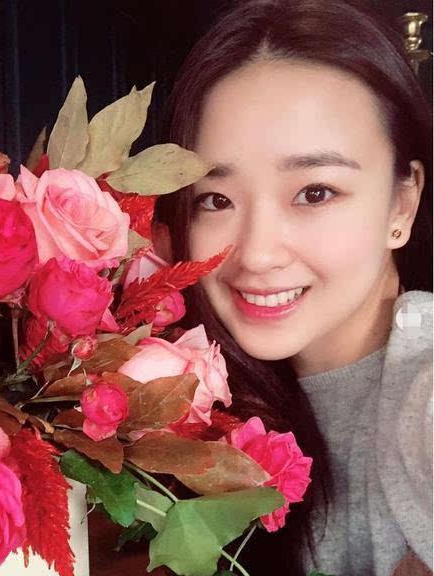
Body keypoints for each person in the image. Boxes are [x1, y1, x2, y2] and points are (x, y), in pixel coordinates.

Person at [154, 1, 433, 575]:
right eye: (216, 200)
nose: (257, 253)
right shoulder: (188, 395)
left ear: (402, 202)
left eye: (315, 193)